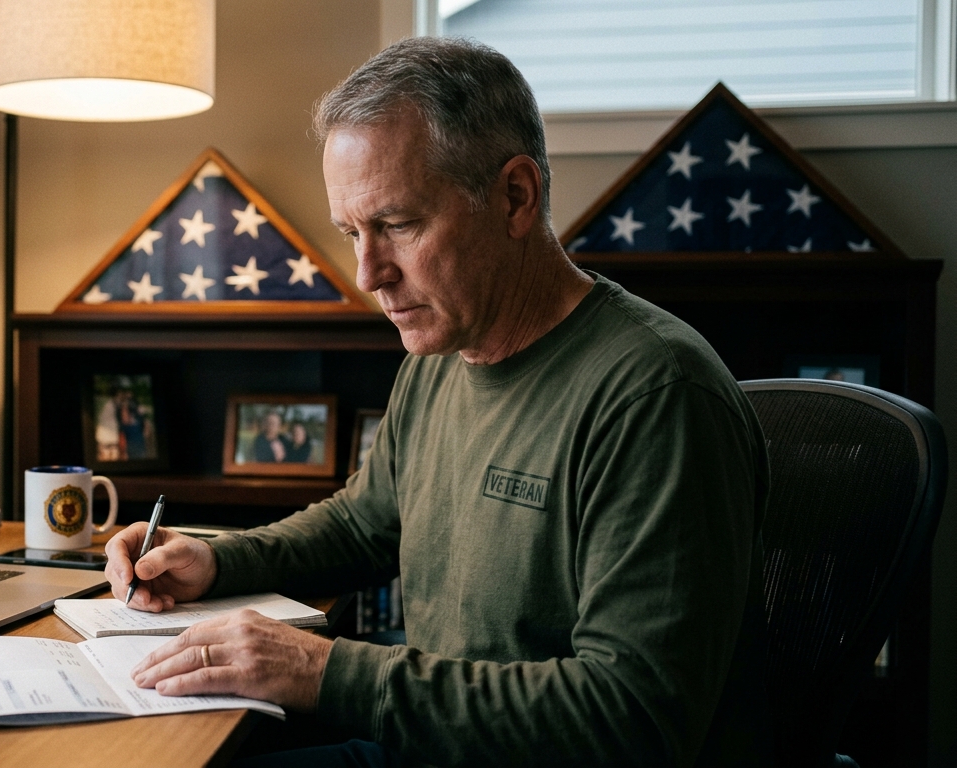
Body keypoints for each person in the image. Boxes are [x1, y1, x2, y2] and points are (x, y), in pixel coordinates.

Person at [105, 37, 770, 768]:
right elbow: (363, 527)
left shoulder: (655, 394)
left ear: (516, 197)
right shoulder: (442, 352)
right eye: (353, 232)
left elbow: (634, 716)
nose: (368, 272)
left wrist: (324, 671)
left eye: (397, 224)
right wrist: (216, 560)